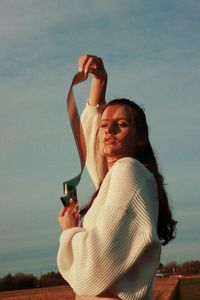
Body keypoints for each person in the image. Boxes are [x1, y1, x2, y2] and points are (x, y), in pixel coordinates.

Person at [57, 55, 176, 300]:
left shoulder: (129, 172)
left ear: (141, 138)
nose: (108, 131)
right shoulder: (120, 177)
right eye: (104, 126)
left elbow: (92, 271)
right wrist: (99, 81)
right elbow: (93, 142)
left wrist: (69, 232)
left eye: (120, 125)